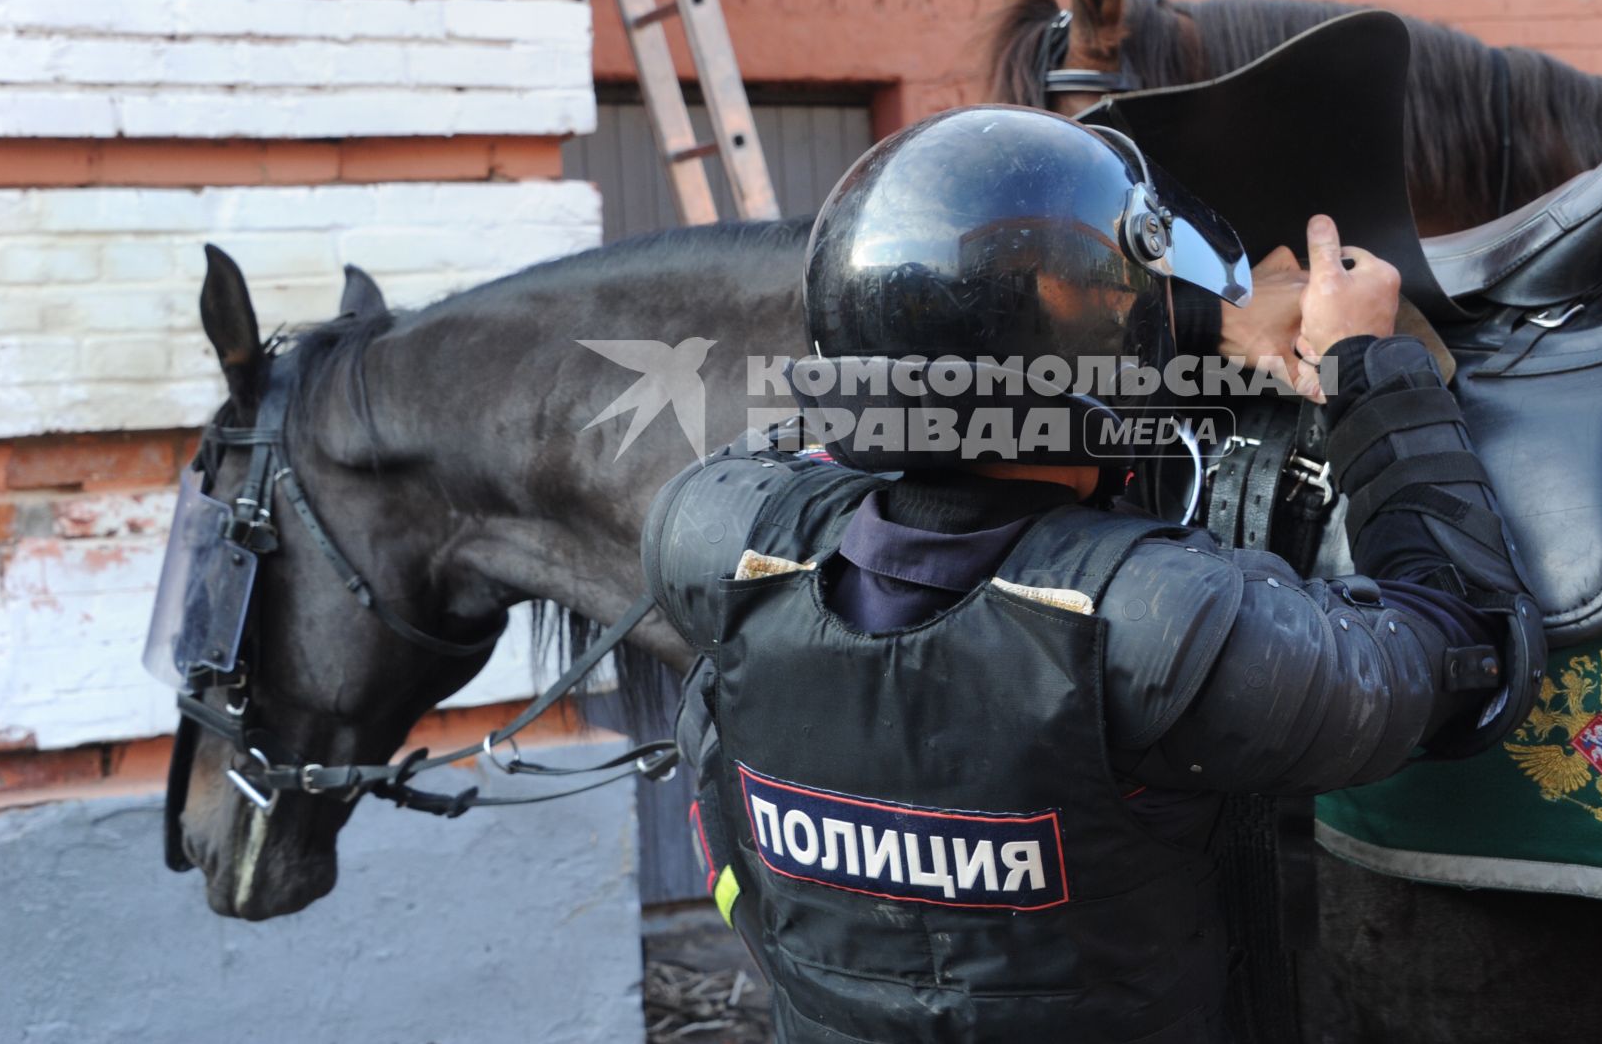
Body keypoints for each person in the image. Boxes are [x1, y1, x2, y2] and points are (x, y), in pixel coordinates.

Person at [643, 105, 1545, 1043]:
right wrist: (1369, 362)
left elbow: (814, 448)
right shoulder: (1151, 628)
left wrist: (1173, 331)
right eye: (1105, 304)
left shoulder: (724, 553)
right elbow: (1464, 640)